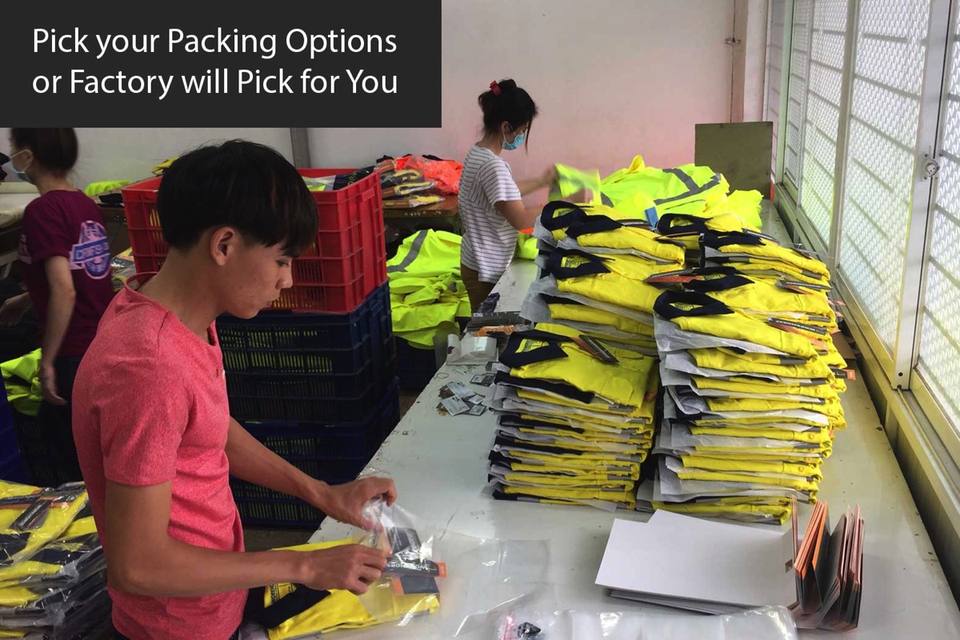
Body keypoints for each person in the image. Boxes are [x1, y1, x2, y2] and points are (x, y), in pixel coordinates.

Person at [71, 141, 396, 640]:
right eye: (282, 260)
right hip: (177, 628)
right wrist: (305, 565)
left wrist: (322, 493)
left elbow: (209, 427)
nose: (287, 280)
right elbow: (138, 566)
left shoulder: (176, 318)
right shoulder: (148, 367)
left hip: (213, 596)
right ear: (224, 245)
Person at [0, 128, 114, 482]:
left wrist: (48, 361)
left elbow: (65, 290)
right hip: (100, 342)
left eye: (14, 149)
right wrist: (24, 300)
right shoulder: (83, 203)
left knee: (75, 461)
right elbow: (79, 274)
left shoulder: (42, 211)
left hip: (73, 351)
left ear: (28, 156)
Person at [458, 78, 555, 311]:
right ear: (506, 127)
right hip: (485, 268)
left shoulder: (478, 153)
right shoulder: (493, 166)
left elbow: (503, 193)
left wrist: (542, 181)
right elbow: (520, 219)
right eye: (522, 131)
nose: (522, 136)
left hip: (475, 259)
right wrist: (560, 205)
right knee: (486, 327)